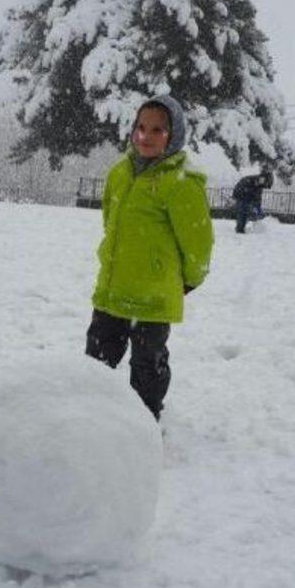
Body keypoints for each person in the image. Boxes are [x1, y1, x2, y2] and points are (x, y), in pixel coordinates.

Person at [86, 95, 214, 420]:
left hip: (153, 297)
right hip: (113, 289)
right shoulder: (119, 172)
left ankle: (145, 423)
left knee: (147, 368)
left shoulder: (181, 183)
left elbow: (198, 241)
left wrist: (190, 280)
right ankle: (89, 417)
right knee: (95, 359)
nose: (146, 136)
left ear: (175, 136)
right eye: (141, 127)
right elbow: (109, 219)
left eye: (158, 130)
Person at [232, 168, 273, 233]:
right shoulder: (259, 180)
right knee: (243, 211)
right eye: (266, 185)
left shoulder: (259, 183)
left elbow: (258, 196)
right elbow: (254, 193)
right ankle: (240, 229)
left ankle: (241, 227)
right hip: (241, 193)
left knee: (246, 210)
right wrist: (255, 205)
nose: (266, 187)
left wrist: (258, 207)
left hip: (244, 193)